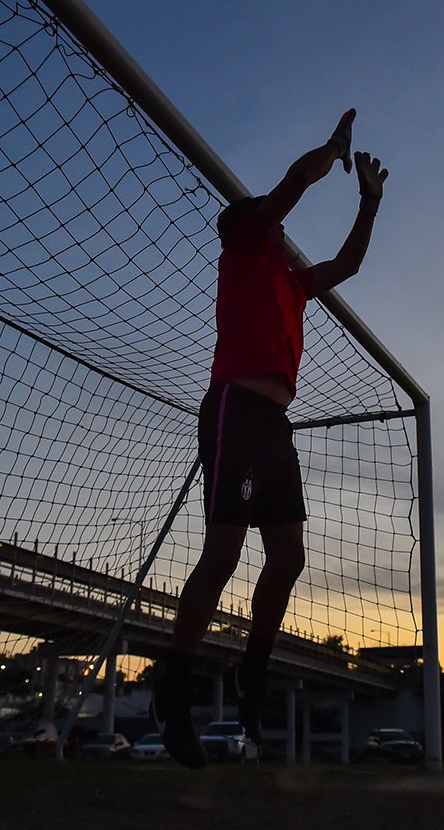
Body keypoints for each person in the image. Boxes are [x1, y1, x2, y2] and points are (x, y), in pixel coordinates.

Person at [153, 109, 387, 768]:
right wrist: (334, 150)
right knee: (224, 552)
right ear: (258, 227)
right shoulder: (247, 245)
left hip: (275, 427)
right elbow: (291, 181)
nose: (286, 233)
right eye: (278, 224)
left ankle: (251, 674)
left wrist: (369, 203)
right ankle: (172, 694)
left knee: (289, 558)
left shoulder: (292, 283)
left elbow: (347, 263)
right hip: (235, 409)